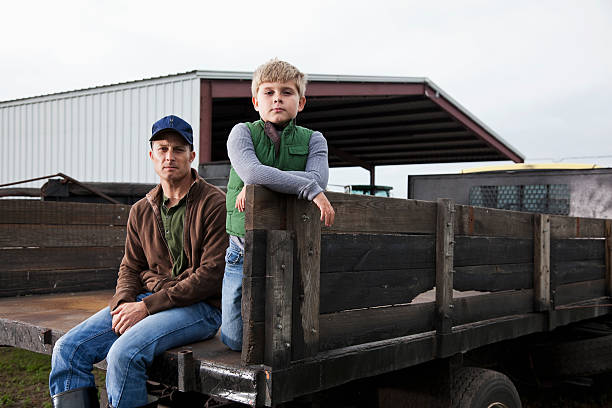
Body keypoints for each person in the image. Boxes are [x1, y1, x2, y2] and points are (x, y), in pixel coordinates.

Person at [49, 115, 228, 408]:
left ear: (192, 156)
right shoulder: (141, 210)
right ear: (152, 155)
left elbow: (210, 276)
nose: (170, 156)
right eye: (162, 148)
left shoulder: (214, 204)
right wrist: (123, 304)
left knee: (124, 354)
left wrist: (146, 306)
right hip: (152, 300)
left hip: (202, 308)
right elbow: (131, 267)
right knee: (68, 349)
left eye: (178, 149)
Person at [221, 59, 335, 351]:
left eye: (286, 92)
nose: (277, 98)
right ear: (255, 101)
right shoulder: (241, 133)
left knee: (285, 332)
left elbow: (318, 178)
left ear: (302, 101)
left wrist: (260, 182)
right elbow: (254, 172)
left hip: (292, 248)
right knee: (235, 338)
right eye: (268, 92)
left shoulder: (314, 141)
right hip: (242, 249)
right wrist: (304, 186)